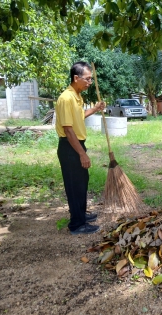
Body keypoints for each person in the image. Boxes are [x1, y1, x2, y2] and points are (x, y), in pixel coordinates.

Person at [55, 61, 106, 235]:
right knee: (74, 185)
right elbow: (68, 130)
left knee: (81, 182)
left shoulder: (77, 96)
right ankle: (77, 224)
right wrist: (82, 154)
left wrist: (96, 108)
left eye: (91, 79)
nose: (90, 82)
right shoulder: (66, 98)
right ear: (76, 78)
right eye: (88, 79)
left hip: (77, 144)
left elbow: (80, 116)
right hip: (70, 146)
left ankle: (81, 214)